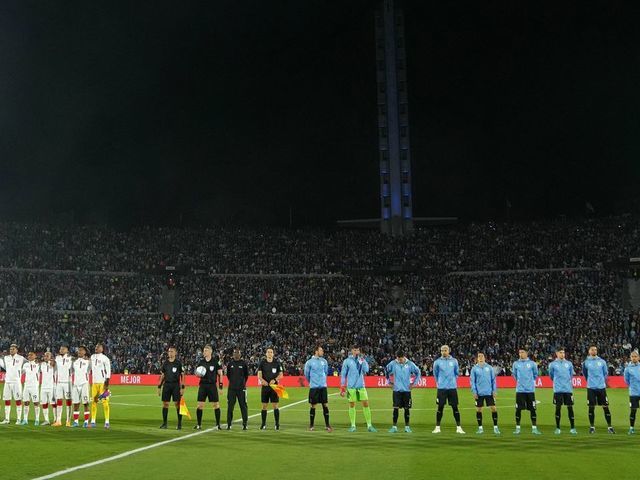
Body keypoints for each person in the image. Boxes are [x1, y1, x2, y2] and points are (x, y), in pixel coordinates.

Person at [340, 345, 376, 432]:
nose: (357, 352)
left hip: (361, 386)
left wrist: (364, 361)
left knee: (366, 404)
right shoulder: (347, 361)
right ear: (352, 351)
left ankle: (369, 426)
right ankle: (353, 426)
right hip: (351, 387)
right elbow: (343, 374)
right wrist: (342, 386)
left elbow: (366, 370)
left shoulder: (361, 360)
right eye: (355, 350)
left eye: (358, 350)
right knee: (352, 405)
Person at [385, 351, 421, 433]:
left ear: (404, 357)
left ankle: (407, 427)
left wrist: (414, 383)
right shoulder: (393, 363)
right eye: (398, 359)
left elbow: (418, 372)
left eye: (400, 359)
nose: (399, 360)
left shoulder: (410, 364)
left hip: (406, 390)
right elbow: (386, 370)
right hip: (396, 390)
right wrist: (389, 382)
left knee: (407, 409)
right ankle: (394, 427)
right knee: (395, 409)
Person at [432, 345, 464, 434]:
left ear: (449, 351)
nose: (444, 352)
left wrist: (452, 381)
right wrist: (440, 382)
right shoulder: (437, 362)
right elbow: (435, 374)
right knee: (440, 407)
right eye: (442, 350)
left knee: (455, 407)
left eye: (445, 350)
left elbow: (456, 373)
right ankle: (437, 427)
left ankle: (459, 427)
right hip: (441, 388)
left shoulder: (454, 361)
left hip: (452, 388)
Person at [582, 346, 614, 434]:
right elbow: (585, 373)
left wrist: (600, 381)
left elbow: (605, 373)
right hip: (591, 388)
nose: (594, 351)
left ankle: (610, 427)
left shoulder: (602, 361)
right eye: (592, 349)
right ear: (589, 351)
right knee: (591, 408)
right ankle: (592, 427)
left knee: (605, 407)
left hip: (601, 387)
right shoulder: (586, 362)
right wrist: (591, 381)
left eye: (595, 349)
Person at [512, 348, 541, 435]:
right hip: (520, 390)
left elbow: (535, 375)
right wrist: (520, 382)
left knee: (532, 409)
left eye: (522, 352)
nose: (520, 354)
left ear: (526, 353)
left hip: (530, 390)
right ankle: (517, 428)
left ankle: (534, 428)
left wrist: (529, 382)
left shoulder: (532, 364)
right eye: (519, 352)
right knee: (518, 410)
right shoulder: (516, 364)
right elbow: (514, 375)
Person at [194, 345, 223, 430]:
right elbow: (197, 373)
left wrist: (220, 386)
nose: (204, 352)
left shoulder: (215, 362)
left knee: (216, 405)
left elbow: (220, 374)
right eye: (204, 350)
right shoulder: (201, 362)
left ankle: (218, 425)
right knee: (199, 405)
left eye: (206, 350)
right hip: (203, 385)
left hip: (212, 386)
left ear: (210, 351)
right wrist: (197, 374)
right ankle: (199, 424)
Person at [548, 348, 576, 435]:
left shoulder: (569, 363)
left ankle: (572, 428)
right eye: (560, 353)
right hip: (558, 390)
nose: (562, 354)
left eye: (563, 352)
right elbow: (551, 375)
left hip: (568, 389)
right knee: (558, 408)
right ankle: (558, 428)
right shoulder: (552, 364)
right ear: (557, 353)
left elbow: (571, 375)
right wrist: (558, 383)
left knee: (570, 408)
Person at [304, 345, 332, 432]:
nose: (322, 352)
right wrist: (312, 382)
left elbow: (326, 372)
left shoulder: (324, 361)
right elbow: (306, 374)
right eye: (321, 350)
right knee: (313, 405)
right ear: (316, 351)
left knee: (325, 405)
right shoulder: (309, 362)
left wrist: (322, 380)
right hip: (314, 387)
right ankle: (311, 425)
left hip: (323, 386)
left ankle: (327, 425)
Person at [470, 352, 499, 434]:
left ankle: (495, 427)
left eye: (482, 356)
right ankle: (480, 428)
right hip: (479, 393)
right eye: (479, 356)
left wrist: (494, 391)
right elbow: (472, 382)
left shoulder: (489, 368)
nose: (480, 357)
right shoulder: (474, 369)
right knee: (479, 410)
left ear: (484, 358)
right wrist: (474, 392)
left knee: (493, 408)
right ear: (477, 358)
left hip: (489, 392)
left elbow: (493, 380)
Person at [158, 346, 185, 430]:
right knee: (165, 404)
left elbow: (182, 375)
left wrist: (182, 387)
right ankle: (164, 423)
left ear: (175, 353)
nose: (170, 353)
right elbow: (162, 376)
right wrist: (159, 386)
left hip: (176, 385)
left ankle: (179, 424)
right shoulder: (165, 363)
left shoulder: (178, 363)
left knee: (177, 404)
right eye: (169, 351)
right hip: (167, 385)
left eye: (172, 351)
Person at [257, 347, 284, 430]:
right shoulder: (262, 363)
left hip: (275, 387)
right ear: (266, 353)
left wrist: (275, 379)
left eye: (271, 352)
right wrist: (262, 380)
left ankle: (277, 424)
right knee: (264, 406)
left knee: (275, 405)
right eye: (268, 352)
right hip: (265, 387)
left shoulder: (277, 363)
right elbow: (259, 374)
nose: (269, 353)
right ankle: (263, 424)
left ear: (273, 354)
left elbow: (281, 375)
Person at [0, 344, 26, 425]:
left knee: (18, 400)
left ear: (17, 350)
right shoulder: (6, 358)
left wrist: (20, 373)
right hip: (7, 382)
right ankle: (6, 419)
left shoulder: (21, 358)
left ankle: (18, 419)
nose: (11, 350)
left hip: (16, 382)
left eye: (13, 349)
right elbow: (3, 366)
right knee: (7, 400)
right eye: (10, 349)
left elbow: (28, 365)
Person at [226, 348, 249, 430]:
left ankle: (245, 424)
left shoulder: (244, 364)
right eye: (235, 353)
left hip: (241, 389)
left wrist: (242, 383)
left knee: (243, 406)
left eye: (238, 353)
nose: (236, 354)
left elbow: (246, 375)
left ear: (240, 354)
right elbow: (228, 375)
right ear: (233, 354)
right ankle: (229, 424)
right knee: (230, 407)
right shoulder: (230, 364)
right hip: (231, 389)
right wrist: (233, 382)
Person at [90, 342, 111, 429]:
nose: (96, 348)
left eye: (98, 347)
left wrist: (107, 383)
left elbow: (108, 371)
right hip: (94, 383)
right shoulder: (92, 357)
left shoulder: (105, 358)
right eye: (96, 346)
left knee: (105, 403)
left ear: (102, 349)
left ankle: (107, 422)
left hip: (103, 383)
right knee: (94, 402)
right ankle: (93, 421)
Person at [71, 346, 91, 428]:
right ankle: (76, 422)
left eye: (81, 350)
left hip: (84, 384)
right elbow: (71, 371)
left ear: (85, 352)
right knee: (76, 404)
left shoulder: (88, 362)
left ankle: (86, 422)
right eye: (78, 350)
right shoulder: (74, 362)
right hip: (75, 384)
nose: (79, 351)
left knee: (85, 404)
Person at [53, 345, 73, 427]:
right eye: (60, 348)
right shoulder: (57, 358)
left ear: (67, 350)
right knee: (59, 401)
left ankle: (68, 421)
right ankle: (58, 421)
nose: (61, 350)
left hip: (67, 382)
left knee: (68, 402)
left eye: (63, 349)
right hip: (59, 382)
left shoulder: (71, 358)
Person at [623, 350, 640, 435]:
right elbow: (626, 380)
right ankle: (631, 428)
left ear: (638, 357)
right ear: (630, 358)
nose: (634, 358)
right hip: (633, 393)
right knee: (633, 411)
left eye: (635, 356)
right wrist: (633, 386)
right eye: (632, 356)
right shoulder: (628, 368)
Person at [40, 352, 56, 426]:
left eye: (47, 356)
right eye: (45, 355)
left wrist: (52, 361)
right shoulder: (42, 364)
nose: (45, 357)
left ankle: (56, 419)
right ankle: (46, 420)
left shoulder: (53, 364)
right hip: (43, 387)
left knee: (53, 404)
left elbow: (55, 364)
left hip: (51, 387)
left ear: (50, 356)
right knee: (44, 403)